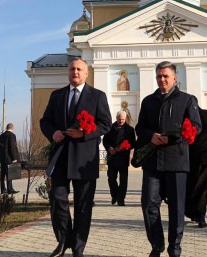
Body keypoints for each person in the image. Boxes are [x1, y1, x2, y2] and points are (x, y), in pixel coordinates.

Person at [40, 58, 112, 257]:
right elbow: (45, 121)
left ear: (87, 73)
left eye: (79, 69)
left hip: (84, 159)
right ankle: (63, 241)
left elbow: (106, 124)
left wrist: (85, 133)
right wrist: (52, 132)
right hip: (61, 157)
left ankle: (78, 247)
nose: (75, 72)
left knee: (83, 205)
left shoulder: (97, 96)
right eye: (72, 69)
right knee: (57, 198)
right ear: (68, 72)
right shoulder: (57, 95)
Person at [135, 61, 201, 257]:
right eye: (159, 76)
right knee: (148, 203)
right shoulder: (148, 101)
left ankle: (175, 248)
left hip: (176, 160)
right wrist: (150, 136)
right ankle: (157, 244)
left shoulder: (187, 100)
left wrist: (174, 136)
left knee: (177, 207)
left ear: (174, 78)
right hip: (153, 160)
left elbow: (195, 126)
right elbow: (140, 127)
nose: (162, 79)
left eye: (165, 76)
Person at [185, 102, 207, 228]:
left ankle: (195, 215)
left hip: (193, 158)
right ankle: (199, 216)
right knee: (203, 188)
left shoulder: (188, 116)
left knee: (193, 187)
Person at [103, 110, 136, 206]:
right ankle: (114, 195)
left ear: (125, 119)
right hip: (112, 157)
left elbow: (133, 143)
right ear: (116, 118)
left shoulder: (130, 129)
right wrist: (109, 148)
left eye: (122, 119)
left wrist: (125, 147)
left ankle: (121, 199)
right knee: (111, 178)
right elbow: (105, 140)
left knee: (123, 180)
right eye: (119, 119)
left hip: (123, 158)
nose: (121, 121)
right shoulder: (110, 127)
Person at [0, 123, 20, 195]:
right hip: (9, 158)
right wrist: (14, 158)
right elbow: (12, 147)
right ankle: (10, 189)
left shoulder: (1, 136)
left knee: (2, 175)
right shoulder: (12, 135)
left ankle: (3, 189)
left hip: (2, 158)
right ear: (12, 128)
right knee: (10, 175)